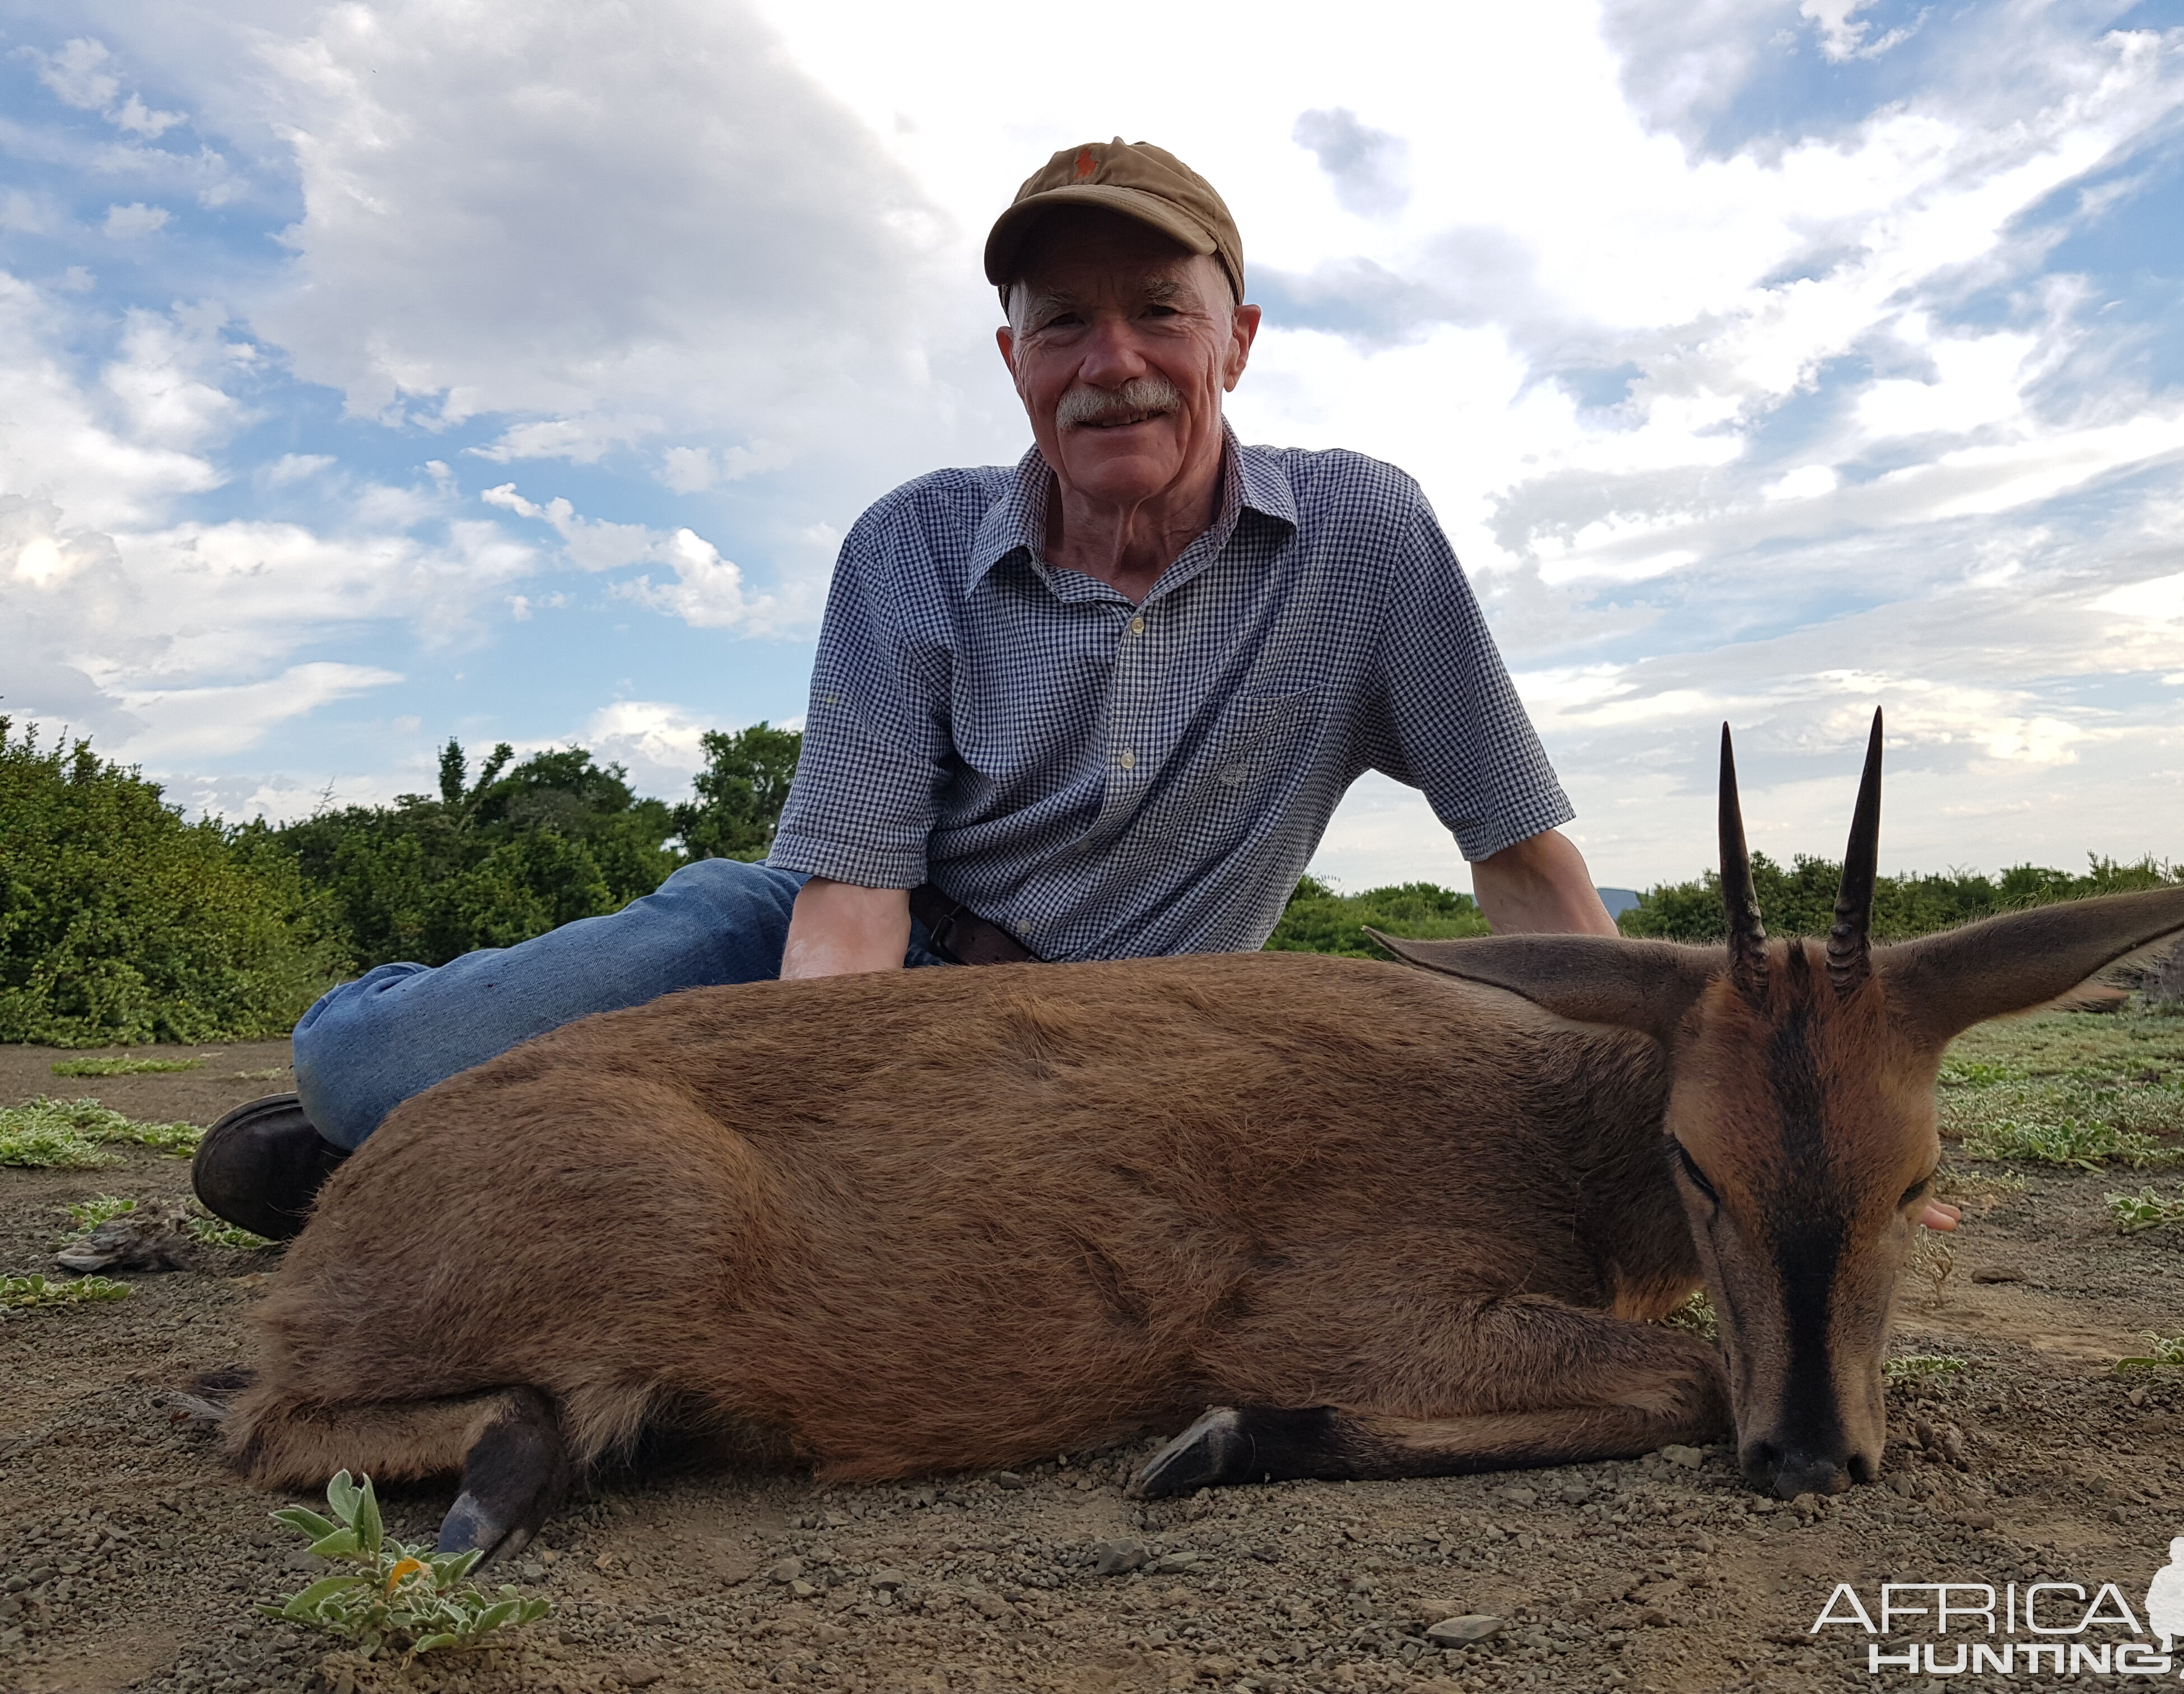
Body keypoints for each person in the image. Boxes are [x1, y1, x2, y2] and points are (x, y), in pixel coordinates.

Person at [192, 138, 1617, 1240]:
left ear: (1235, 341)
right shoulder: (913, 545)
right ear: (1015, 363)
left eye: (1159, 314)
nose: (1111, 363)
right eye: (1062, 326)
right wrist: (830, 1116)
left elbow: (1517, 848)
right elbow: (851, 908)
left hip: (1112, 1048)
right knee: (368, 1072)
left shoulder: (1366, 540)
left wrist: (1630, 1095)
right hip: (840, 964)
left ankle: (463, 1162)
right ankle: (390, 1116)